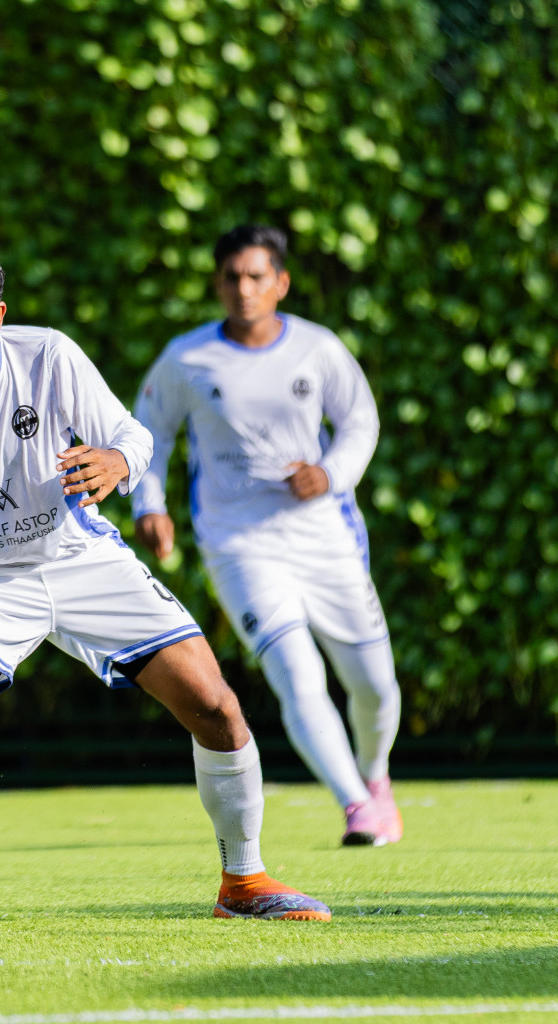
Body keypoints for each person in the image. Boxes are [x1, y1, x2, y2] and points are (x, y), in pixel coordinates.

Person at [0, 236, 333, 929]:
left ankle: (243, 881)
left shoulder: (49, 357)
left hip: (83, 561)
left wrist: (117, 461)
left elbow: (133, 437)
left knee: (217, 708)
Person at [130, 224, 403, 847]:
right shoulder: (186, 358)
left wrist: (330, 472)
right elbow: (150, 430)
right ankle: (357, 807)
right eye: (231, 277)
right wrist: (150, 502)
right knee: (297, 677)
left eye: (256, 276)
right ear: (217, 283)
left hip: (325, 537)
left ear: (280, 283)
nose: (243, 288)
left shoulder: (318, 348)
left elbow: (360, 421)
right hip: (239, 547)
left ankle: (375, 775)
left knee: (375, 686)